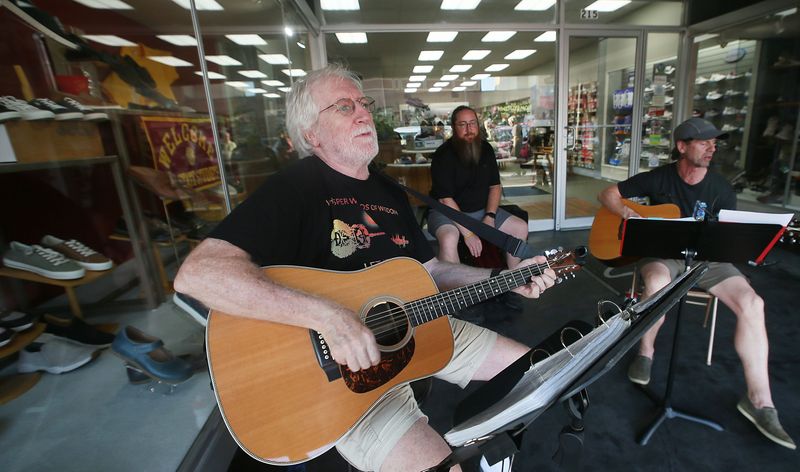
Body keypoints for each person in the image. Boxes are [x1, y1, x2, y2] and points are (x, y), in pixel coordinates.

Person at [174, 64, 557, 472]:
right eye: (343, 107)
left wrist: (503, 279)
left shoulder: (389, 190)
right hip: (343, 378)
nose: (362, 113)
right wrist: (328, 317)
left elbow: (429, 270)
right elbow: (196, 274)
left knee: (542, 372)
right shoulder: (295, 188)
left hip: (419, 323)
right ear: (311, 134)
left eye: (363, 103)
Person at [597, 117, 795, 450]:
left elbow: (729, 239)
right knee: (658, 282)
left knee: (753, 303)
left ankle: (760, 401)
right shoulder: (659, 177)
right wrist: (626, 213)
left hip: (709, 258)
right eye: (704, 142)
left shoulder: (721, 188)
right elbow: (608, 194)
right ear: (682, 146)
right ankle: (645, 352)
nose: (712, 148)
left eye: (714, 143)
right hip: (662, 254)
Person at [428, 106, 530, 272]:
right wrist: (468, 234)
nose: (469, 129)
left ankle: (514, 278)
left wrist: (490, 216)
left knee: (520, 227)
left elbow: (495, 187)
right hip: (447, 212)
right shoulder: (443, 155)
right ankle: (455, 291)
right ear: (454, 127)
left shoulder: (486, 149)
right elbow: (445, 200)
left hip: (481, 210)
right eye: (462, 124)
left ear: (478, 124)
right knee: (449, 238)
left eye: (472, 123)